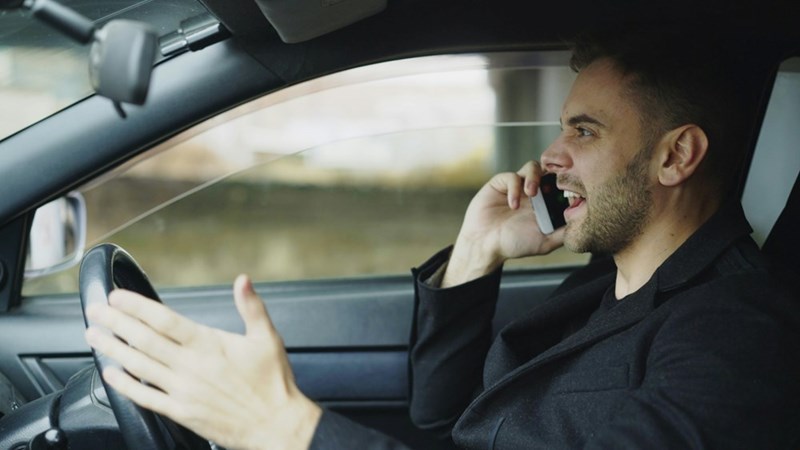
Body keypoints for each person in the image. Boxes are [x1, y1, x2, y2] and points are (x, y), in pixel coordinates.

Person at [84, 29, 800, 449]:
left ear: (676, 157)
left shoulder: (738, 342)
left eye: (584, 131)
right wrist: (476, 253)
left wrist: (291, 428)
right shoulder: (602, 284)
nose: (551, 156)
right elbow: (443, 424)